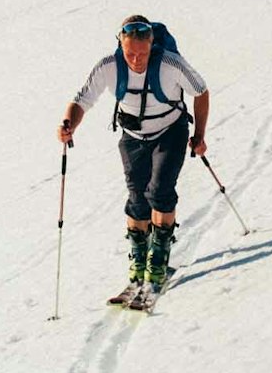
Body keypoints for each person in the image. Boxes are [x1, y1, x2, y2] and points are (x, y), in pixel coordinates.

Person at [57, 15, 209, 292]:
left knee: (160, 190)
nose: (136, 60)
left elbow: (201, 91)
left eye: (142, 53)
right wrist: (69, 125)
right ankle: (139, 260)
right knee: (137, 196)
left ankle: (159, 259)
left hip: (170, 132)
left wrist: (199, 135)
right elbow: (82, 100)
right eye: (130, 53)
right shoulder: (109, 67)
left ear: (152, 44)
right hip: (133, 137)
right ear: (120, 45)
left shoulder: (170, 64)